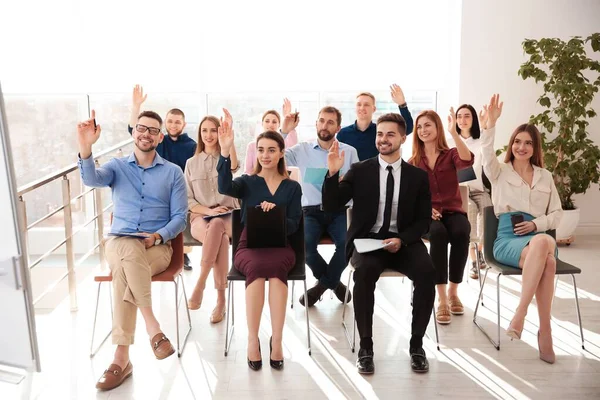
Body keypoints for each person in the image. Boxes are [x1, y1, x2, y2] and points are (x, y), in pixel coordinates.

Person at [78, 110, 187, 391]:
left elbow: (180, 218)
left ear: (160, 137)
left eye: (152, 130)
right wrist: (86, 146)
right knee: (126, 246)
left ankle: (121, 358)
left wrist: (158, 236)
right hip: (118, 243)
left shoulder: (173, 173)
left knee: (125, 274)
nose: (146, 134)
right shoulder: (116, 167)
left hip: (156, 248)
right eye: (141, 128)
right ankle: (153, 327)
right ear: (133, 132)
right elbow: (91, 179)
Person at [322, 113, 435, 374]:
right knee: (363, 274)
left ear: (403, 138)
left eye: (390, 134)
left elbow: (423, 222)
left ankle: (417, 345)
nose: (383, 139)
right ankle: (366, 347)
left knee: (427, 272)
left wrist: (402, 239)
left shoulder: (417, 177)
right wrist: (332, 173)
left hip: (404, 242)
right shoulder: (360, 170)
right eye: (380, 134)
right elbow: (331, 205)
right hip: (368, 242)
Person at [481, 94, 562, 364]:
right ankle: (545, 330)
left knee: (541, 243)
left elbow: (557, 214)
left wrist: (537, 224)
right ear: (511, 144)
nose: (521, 147)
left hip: (540, 235)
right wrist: (491, 124)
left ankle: (520, 314)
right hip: (508, 239)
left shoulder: (545, 176)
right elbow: (486, 152)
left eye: (528, 143)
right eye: (517, 141)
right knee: (548, 263)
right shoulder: (499, 172)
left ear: (535, 147)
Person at [218, 125, 302, 371]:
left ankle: (277, 340)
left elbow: (295, 223)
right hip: (249, 244)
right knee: (256, 267)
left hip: (280, 244)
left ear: (281, 153)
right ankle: (252, 339)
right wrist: (224, 152)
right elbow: (224, 187)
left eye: (271, 150)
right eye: (261, 150)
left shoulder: (292, 187)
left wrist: (275, 214)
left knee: (276, 270)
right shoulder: (246, 182)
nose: (265, 155)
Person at [284, 106, 359, 307]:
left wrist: (341, 180)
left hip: (340, 211)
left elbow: (357, 185)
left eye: (330, 122)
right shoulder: (301, 150)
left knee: (347, 245)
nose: (325, 125)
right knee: (304, 246)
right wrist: (284, 131)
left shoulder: (349, 152)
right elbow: (272, 155)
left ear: (338, 127)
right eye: (322, 120)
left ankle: (320, 287)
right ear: (316, 123)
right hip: (310, 211)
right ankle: (334, 284)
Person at [409, 109, 473, 325]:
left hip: (454, 211)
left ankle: (454, 292)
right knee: (437, 234)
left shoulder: (451, 154)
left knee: (461, 231)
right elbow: (410, 197)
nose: (423, 130)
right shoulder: (414, 161)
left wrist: (455, 133)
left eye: (427, 125)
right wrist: (426, 210)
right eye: (419, 127)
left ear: (437, 128)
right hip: (428, 216)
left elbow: (467, 161)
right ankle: (442, 297)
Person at [129, 85, 197, 270]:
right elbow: (134, 130)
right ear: (165, 124)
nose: (173, 125)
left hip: (180, 188)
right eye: (170, 121)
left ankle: (181, 253)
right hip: (157, 186)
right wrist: (136, 107)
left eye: (177, 122)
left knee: (178, 214)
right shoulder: (157, 139)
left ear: (183, 124)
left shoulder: (191, 145)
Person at [184, 110, 240, 324]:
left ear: (220, 132)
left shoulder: (226, 158)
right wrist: (207, 211)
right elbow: (188, 199)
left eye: (213, 130)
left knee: (218, 225)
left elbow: (234, 166)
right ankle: (221, 300)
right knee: (220, 236)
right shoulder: (191, 163)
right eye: (204, 130)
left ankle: (201, 282)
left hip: (229, 217)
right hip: (201, 217)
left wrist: (229, 140)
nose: (208, 135)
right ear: (199, 133)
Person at [448, 104, 493, 279]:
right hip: (460, 190)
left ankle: (480, 251)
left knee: (488, 211)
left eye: (467, 116)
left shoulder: (480, 140)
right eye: (459, 116)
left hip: (479, 189)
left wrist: (485, 126)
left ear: (473, 119)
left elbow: (488, 156)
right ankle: (474, 261)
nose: (462, 120)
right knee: (470, 212)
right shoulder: (451, 142)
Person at [336, 85, 414, 161]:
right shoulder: (343, 133)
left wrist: (402, 104)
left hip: (377, 173)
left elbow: (408, 128)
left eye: (366, 105)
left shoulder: (381, 132)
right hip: (350, 174)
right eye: (359, 104)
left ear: (374, 109)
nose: (362, 108)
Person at [244, 98, 299, 174]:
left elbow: (293, 148)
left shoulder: (285, 143)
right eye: (267, 121)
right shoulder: (252, 146)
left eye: (274, 122)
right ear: (262, 124)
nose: (270, 124)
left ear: (279, 125)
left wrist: (288, 120)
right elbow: (248, 172)